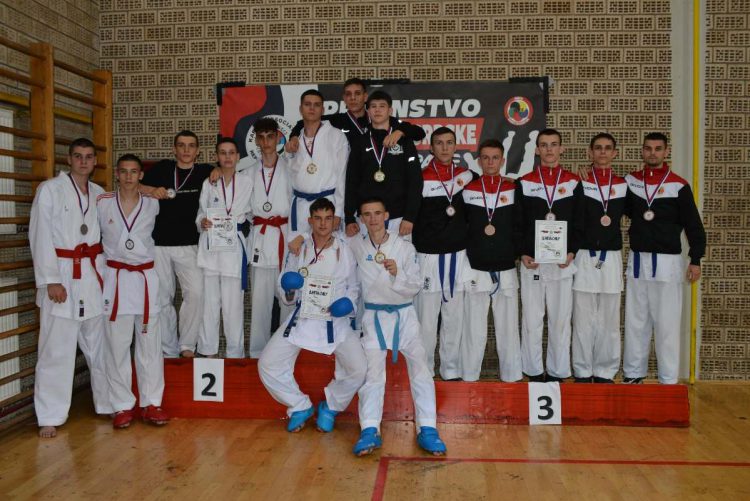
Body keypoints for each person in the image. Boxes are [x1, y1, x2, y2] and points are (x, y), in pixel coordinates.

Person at [258, 198, 365, 433]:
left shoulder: (345, 249)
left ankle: (331, 406)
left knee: (358, 369)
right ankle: (299, 405)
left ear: (335, 220)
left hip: (334, 320)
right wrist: (288, 289)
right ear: (310, 221)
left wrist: (347, 304)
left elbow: (354, 286)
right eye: (318, 218)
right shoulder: (299, 248)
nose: (323, 224)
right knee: (267, 363)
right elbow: (286, 283)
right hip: (303, 317)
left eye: (328, 218)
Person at [29, 138, 112, 438]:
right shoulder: (50, 189)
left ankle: (107, 403)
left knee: (100, 346)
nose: (83, 161)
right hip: (62, 273)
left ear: (95, 161)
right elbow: (39, 235)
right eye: (78, 156)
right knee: (56, 348)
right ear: (69, 159)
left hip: (92, 274)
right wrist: (50, 279)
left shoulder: (100, 193)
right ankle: (49, 415)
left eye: (89, 156)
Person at [349, 198, 446, 456]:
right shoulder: (356, 245)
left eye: (377, 213)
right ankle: (370, 428)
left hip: (404, 316)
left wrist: (396, 274)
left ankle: (428, 428)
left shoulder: (404, 247)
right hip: (373, 317)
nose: (373, 219)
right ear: (361, 218)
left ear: (386, 215)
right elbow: (329, 243)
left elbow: (415, 285)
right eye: (367, 214)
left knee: (421, 370)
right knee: (372, 375)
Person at [622, 132, 705, 384]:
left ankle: (668, 379)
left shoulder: (678, 185)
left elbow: (694, 225)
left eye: (658, 148)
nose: (653, 153)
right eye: (648, 148)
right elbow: (611, 204)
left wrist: (696, 259)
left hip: (668, 262)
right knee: (636, 321)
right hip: (638, 260)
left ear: (666, 152)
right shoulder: (631, 182)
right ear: (642, 151)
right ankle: (633, 374)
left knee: (667, 323)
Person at [98, 154, 168, 428]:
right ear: (117, 174)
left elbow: (173, 197)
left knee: (150, 345)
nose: (128, 177)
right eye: (124, 172)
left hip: (145, 279)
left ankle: (152, 403)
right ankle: (121, 406)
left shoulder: (153, 202)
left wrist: (150, 189)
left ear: (141, 175)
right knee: (117, 346)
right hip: (116, 280)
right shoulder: (102, 202)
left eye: (133, 172)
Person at [516, 128, 584, 382]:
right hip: (532, 262)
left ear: (561, 148)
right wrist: (523, 252)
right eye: (544, 145)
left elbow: (580, 221)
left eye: (554, 144)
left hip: (561, 263)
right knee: (531, 320)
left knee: (560, 320)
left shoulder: (573, 183)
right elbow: (518, 222)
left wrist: (572, 250)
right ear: (537, 150)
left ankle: (557, 371)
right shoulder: (525, 182)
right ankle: (533, 371)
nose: (549, 150)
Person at [141, 130, 214, 358]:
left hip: (189, 244)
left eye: (191, 146)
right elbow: (136, 186)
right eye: (181, 145)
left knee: (196, 294)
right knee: (163, 297)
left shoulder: (204, 171)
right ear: (174, 149)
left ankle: (187, 346)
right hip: (159, 244)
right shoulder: (163, 168)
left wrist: (219, 170)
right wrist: (152, 190)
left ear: (198, 151)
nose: (186, 150)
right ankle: (168, 348)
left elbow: (226, 170)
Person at [412, 127, 474, 380]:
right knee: (426, 319)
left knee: (454, 317)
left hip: (457, 256)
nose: (445, 148)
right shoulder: (420, 177)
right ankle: (423, 370)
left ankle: (451, 370)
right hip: (428, 256)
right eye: (439, 143)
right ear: (431, 147)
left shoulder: (467, 177)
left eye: (449, 143)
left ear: (456, 146)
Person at [461, 139, 522, 382]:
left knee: (508, 327)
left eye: (495, 158)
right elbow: (463, 226)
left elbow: (520, 226)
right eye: (485, 158)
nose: (490, 162)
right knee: (473, 327)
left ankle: (512, 377)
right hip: (476, 266)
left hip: (506, 266)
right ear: (479, 161)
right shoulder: (468, 190)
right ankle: (469, 377)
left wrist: (516, 252)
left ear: (502, 160)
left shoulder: (513, 189)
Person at [572, 134, 627, 384]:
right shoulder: (579, 183)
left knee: (609, 318)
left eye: (607, 148)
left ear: (614, 153)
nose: (602, 152)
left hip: (611, 257)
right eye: (598, 148)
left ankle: (605, 371)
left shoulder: (624, 185)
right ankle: (582, 371)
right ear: (590, 152)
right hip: (584, 256)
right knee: (582, 319)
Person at [196, 138, 253, 358]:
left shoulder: (247, 182)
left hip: (233, 249)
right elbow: (201, 212)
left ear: (238, 157)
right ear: (216, 157)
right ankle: (208, 352)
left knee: (233, 307)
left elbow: (253, 213)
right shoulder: (209, 183)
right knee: (209, 306)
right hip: (211, 247)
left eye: (231, 153)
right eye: (222, 152)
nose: (227, 157)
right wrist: (202, 222)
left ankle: (234, 355)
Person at [244, 118, 294, 358]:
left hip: (286, 240)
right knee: (259, 305)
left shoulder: (291, 168)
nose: (266, 142)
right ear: (256, 140)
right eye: (261, 137)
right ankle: (256, 354)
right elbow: (243, 210)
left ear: (278, 138)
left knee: (288, 302)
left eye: (270, 137)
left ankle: (287, 353)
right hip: (261, 243)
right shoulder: (247, 173)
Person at [344, 90, 423, 239]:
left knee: (399, 256)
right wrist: (349, 217)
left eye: (382, 106)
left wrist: (410, 216)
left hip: (399, 218)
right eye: (373, 106)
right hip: (368, 218)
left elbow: (415, 181)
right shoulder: (360, 142)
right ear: (368, 111)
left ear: (390, 111)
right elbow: (351, 181)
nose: (377, 110)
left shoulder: (404, 140)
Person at [286, 78, 426, 148]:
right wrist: (294, 137)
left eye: (357, 94)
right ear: (344, 98)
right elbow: (304, 122)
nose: (353, 98)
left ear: (365, 97)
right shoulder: (336, 120)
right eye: (348, 94)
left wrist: (400, 132)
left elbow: (419, 133)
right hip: (348, 177)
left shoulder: (379, 119)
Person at [285, 90, 349, 241]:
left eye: (317, 105)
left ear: (323, 110)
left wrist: (338, 212)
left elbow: (342, 176)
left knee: (327, 251)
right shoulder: (295, 140)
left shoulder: (336, 136)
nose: (312, 108)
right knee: (299, 250)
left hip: (327, 206)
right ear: (300, 109)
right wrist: (289, 153)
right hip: (300, 207)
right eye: (307, 104)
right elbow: (291, 174)